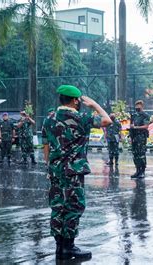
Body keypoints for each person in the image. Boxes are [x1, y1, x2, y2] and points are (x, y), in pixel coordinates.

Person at [43, 85, 111, 260]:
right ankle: (69, 247)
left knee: (58, 207)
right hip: (73, 171)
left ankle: (59, 248)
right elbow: (107, 120)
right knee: (74, 207)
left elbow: (46, 147)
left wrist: (50, 166)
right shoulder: (81, 118)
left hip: (55, 170)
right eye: (79, 100)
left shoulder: (48, 119)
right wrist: (94, 104)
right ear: (74, 100)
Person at [130, 100, 150, 179]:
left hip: (141, 137)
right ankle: (137, 170)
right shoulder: (133, 115)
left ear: (142, 106)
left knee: (141, 155)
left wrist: (135, 127)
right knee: (135, 155)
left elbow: (146, 126)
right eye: (136, 105)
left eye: (139, 105)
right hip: (134, 137)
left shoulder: (145, 115)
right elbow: (131, 125)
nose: (137, 107)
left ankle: (142, 171)